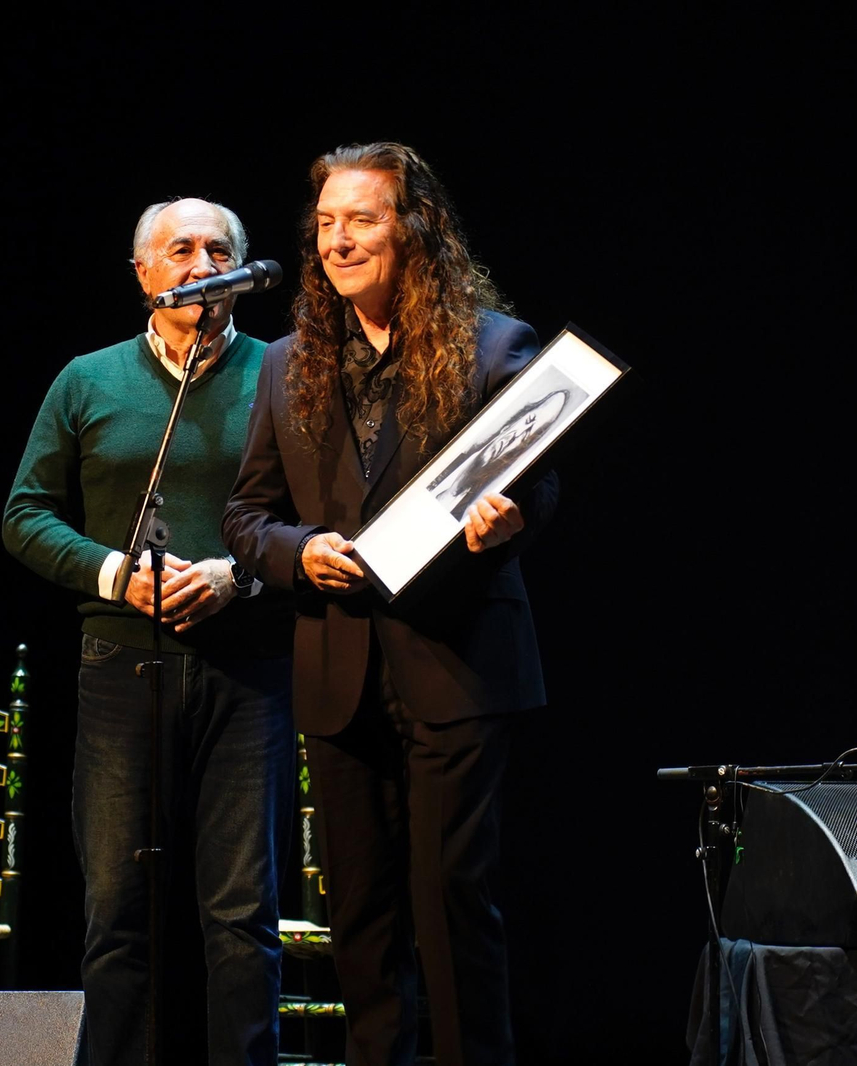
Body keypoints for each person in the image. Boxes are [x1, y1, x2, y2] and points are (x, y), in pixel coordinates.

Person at [223, 143, 558, 1066]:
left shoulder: (495, 345)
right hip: (338, 666)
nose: (336, 241)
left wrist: (509, 520)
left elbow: (536, 487)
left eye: (360, 219)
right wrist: (301, 552)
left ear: (414, 229)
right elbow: (248, 516)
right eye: (324, 223)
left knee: (450, 897)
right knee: (361, 911)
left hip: (454, 661)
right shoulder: (288, 362)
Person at [3, 197, 295, 1066]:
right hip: (121, 663)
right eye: (180, 249)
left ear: (243, 273)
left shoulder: (285, 375)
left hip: (249, 668)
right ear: (143, 273)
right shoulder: (87, 380)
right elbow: (23, 515)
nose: (200, 263)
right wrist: (116, 574)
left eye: (218, 249)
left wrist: (235, 575)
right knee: (118, 908)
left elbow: (325, 520)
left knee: (243, 915)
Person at [427, 389, 569, 522]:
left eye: (529, 436)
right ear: (511, 423)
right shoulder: (450, 441)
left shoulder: (478, 509)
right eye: (528, 421)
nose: (517, 436)